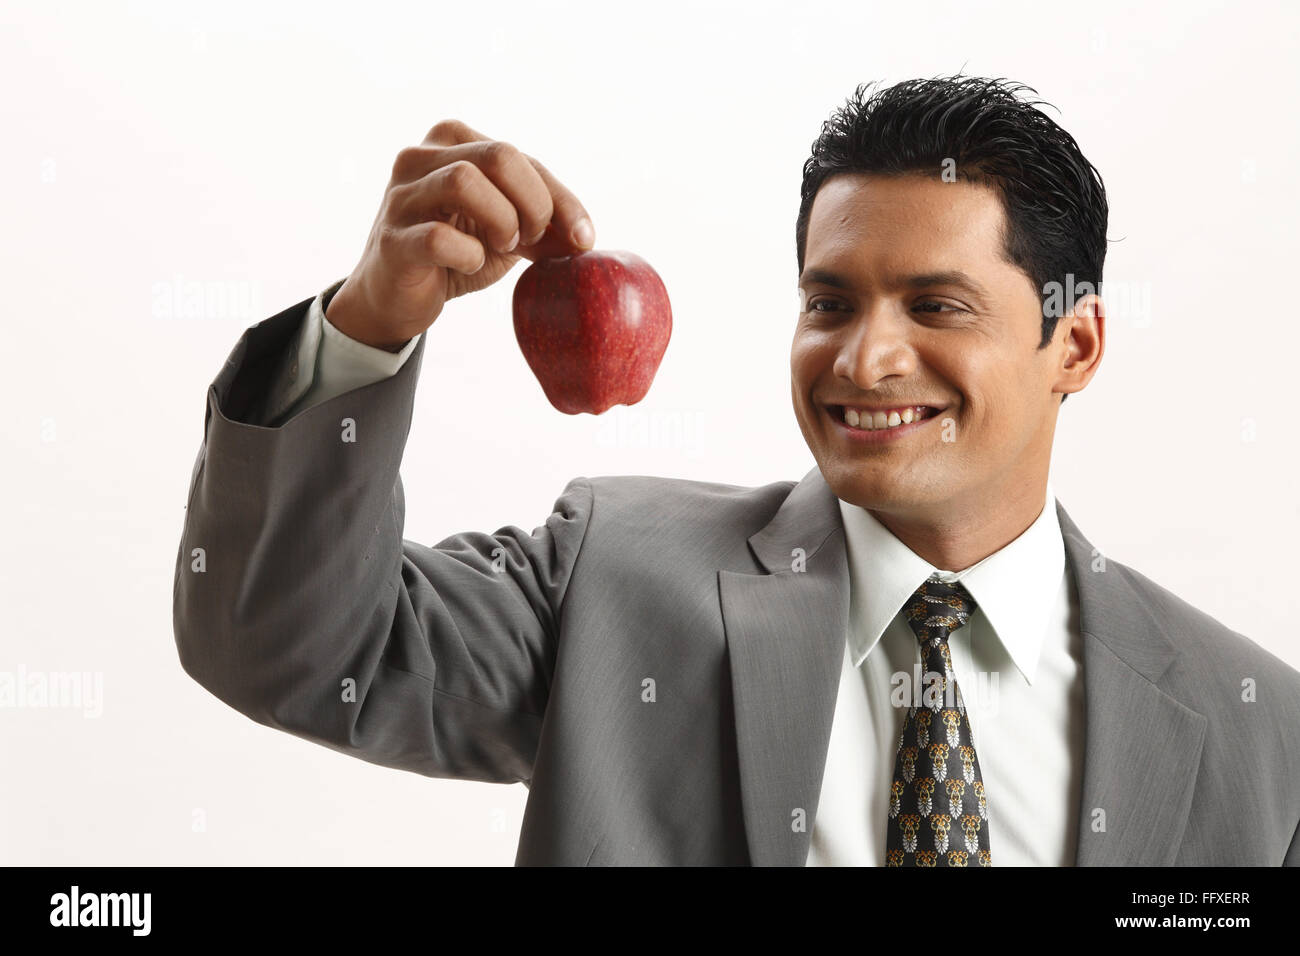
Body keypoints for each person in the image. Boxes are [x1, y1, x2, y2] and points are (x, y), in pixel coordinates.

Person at [172, 75, 1300, 866]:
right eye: (828, 301)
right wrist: (369, 324)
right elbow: (288, 645)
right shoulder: (610, 578)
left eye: (935, 304)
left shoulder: (1261, 733)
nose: (863, 356)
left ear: (1076, 344)